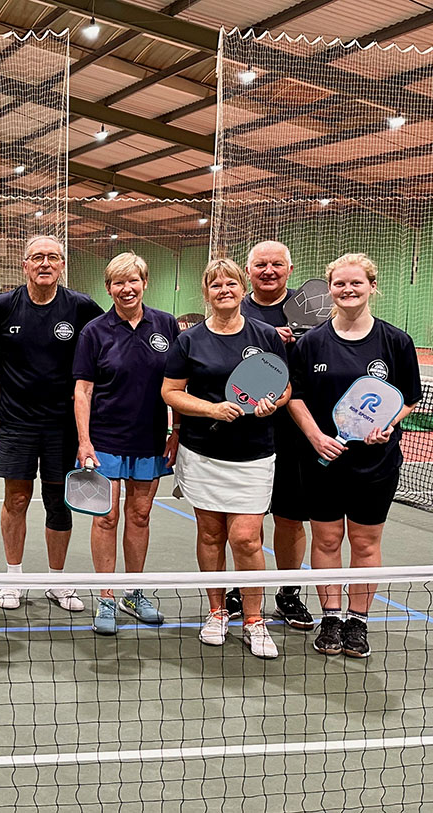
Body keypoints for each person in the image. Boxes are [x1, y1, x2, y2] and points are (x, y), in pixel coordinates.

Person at [288, 253, 420, 658]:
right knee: (326, 539)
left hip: (375, 463)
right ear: (329, 289)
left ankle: (358, 620)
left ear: (371, 287)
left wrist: (389, 425)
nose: (348, 290)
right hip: (322, 459)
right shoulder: (311, 343)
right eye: (340, 284)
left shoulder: (395, 341)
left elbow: (409, 399)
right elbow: (295, 397)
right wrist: (314, 437)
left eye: (356, 284)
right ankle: (330, 617)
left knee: (365, 542)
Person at [162, 258, 289, 659]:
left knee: (247, 538)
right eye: (215, 285)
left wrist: (272, 404)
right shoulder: (190, 340)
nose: (224, 290)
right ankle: (217, 611)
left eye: (231, 283)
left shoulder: (266, 334)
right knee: (211, 535)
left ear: (241, 287)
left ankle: (254, 619)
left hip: (253, 454)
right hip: (202, 453)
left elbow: (284, 387)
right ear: (207, 292)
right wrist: (211, 409)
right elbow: (171, 391)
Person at [0, 235, 103, 612]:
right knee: (16, 499)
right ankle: (14, 579)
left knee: (58, 504)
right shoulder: (2, 305)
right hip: (15, 423)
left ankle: (56, 583)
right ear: (24, 265)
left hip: (63, 427)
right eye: (37, 258)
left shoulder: (80, 306)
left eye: (53, 257)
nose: (45, 263)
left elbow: (111, 336)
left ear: (62, 265)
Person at [72, 253, 179, 635]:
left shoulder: (166, 325)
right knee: (106, 517)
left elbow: (180, 384)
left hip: (150, 438)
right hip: (105, 439)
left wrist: (176, 430)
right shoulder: (94, 331)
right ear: (108, 288)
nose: (126, 288)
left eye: (133, 280)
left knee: (140, 516)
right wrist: (84, 441)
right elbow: (82, 390)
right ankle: (105, 595)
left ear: (144, 283)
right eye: (118, 283)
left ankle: (133, 592)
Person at [234, 240, 313, 630]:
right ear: (248, 270)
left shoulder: (311, 309)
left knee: (290, 517)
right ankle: (241, 589)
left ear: (290, 269)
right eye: (260, 264)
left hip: (294, 430)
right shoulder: (237, 306)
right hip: (245, 431)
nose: (268, 270)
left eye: (277, 264)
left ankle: (288, 592)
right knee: (243, 521)